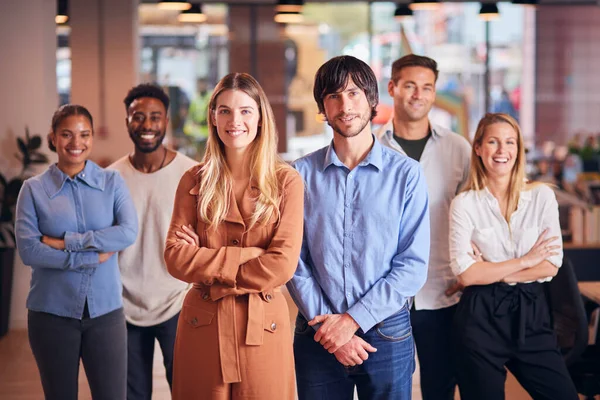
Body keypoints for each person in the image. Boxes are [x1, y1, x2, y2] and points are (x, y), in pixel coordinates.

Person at [288, 55, 430, 399]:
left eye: (353, 93)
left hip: (387, 333)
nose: (345, 105)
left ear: (372, 99)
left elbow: (412, 265)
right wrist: (330, 327)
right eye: (333, 96)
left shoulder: (406, 174)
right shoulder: (298, 175)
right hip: (316, 331)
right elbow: (292, 258)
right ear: (322, 106)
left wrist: (351, 322)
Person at [163, 72, 304, 399]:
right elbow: (175, 258)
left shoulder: (287, 182)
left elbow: (282, 265)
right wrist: (252, 256)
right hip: (202, 327)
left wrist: (205, 259)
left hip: (264, 327)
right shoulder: (193, 181)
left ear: (260, 117)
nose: (234, 120)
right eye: (224, 110)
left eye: (244, 110)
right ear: (212, 117)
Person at [449, 113, 578, 400]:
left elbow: (550, 264)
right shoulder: (464, 204)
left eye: (510, 142)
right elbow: (466, 274)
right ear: (478, 148)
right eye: (493, 142)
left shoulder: (542, 197)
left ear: (518, 149)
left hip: (532, 313)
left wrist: (493, 270)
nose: (501, 150)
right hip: (479, 319)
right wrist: (524, 261)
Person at [15, 104, 138, 400]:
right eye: (67, 134)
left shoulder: (112, 182)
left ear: (92, 137)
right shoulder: (32, 190)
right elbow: (30, 251)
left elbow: (127, 232)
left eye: (85, 135)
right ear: (53, 137)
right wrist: (90, 256)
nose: (76, 143)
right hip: (51, 315)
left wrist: (66, 241)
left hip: (106, 314)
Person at [375, 54, 471, 400]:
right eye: (410, 85)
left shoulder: (458, 149)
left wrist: (466, 273)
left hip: (441, 292)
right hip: (383, 295)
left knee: (440, 388)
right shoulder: (371, 147)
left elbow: (475, 217)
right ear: (393, 88)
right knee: (387, 388)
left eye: (427, 87)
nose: (418, 94)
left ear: (434, 93)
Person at [108, 83, 198, 400]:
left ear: (166, 120)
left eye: (155, 117)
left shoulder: (192, 174)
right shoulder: (110, 178)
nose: (147, 125)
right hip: (124, 305)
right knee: (133, 394)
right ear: (127, 121)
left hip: (178, 302)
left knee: (186, 390)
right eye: (138, 116)